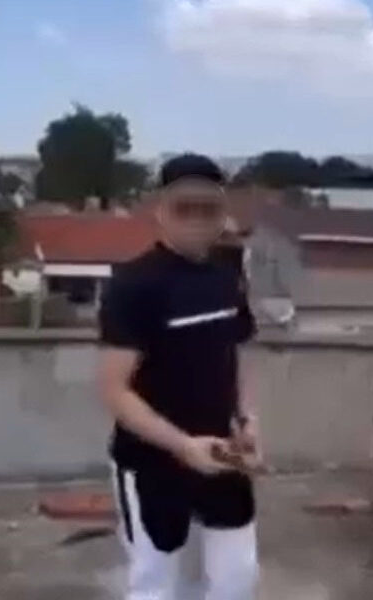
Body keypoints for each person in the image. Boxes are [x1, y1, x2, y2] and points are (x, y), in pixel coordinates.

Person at [99, 154, 260, 600]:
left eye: (208, 208)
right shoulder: (133, 284)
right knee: (157, 586)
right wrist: (182, 446)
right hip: (152, 464)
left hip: (223, 458)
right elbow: (114, 389)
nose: (196, 219)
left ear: (222, 212)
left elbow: (237, 352)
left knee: (236, 581)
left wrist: (248, 419)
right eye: (184, 207)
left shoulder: (228, 274)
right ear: (161, 209)